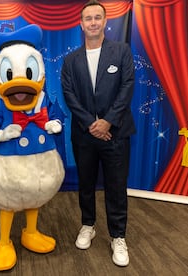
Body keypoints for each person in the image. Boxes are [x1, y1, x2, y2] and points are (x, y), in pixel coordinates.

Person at [61, 0, 135, 267]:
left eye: (97, 18)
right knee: (86, 183)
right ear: (81, 24)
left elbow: (127, 87)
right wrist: (93, 124)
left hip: (116, 133)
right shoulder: (71, 60)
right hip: (83, 134)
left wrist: (108, 122)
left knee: (116, 186)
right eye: (87, 18)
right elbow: (69, 94)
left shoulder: (122, 51)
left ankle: (118, 236)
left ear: (105, 22)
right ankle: (87, 224)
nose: (92, 22)